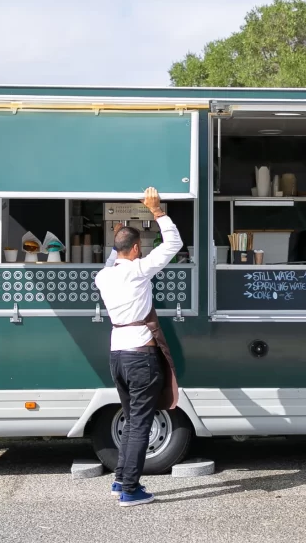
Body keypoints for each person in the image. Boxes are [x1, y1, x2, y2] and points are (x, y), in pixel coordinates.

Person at [94, 187, 182, 507]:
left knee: (131, 420)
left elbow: (113, 256)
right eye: (139, 248)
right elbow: (174, 244)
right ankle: (130, 489)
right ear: (135, 249)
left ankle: (120, 480)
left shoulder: (104, 277)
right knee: (140, 425)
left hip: (117, 354)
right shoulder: (139, 270)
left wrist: (121, 231)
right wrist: (156, 212)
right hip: (140, 356)